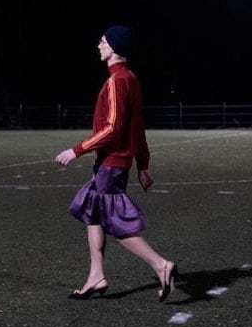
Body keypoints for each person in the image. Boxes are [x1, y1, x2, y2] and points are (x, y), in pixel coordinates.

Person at [55, 25, 178, 302]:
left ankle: (161, 265)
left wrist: (76, 150)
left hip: (111, 163)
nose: (98, 45)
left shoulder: (116, 81)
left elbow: (113, 128)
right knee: (93, 211)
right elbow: (138, 126)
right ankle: (96, 276)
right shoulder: (130, 78)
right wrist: (143, 164)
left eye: (102, 42)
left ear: (113, 46)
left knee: (114, 221)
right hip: (115, 162)